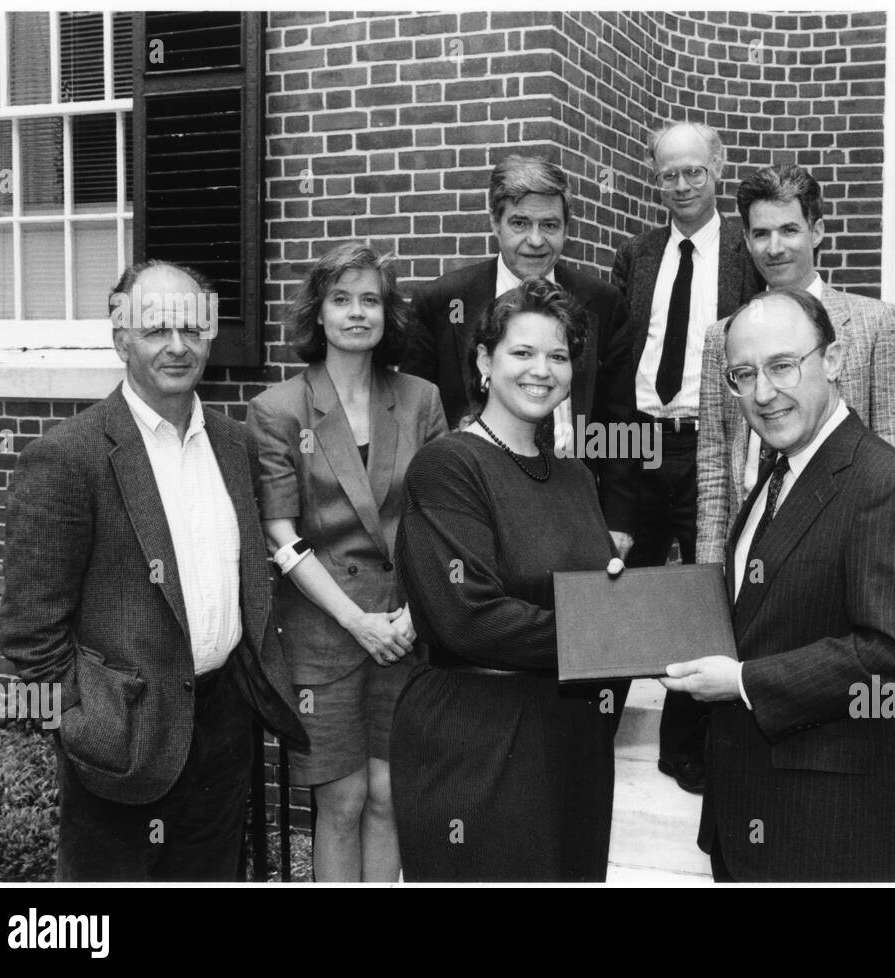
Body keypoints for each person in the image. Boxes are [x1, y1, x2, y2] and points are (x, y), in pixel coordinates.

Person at [0, 260, 308, 881]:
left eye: (192, 329)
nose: (177, 345)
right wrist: (86, 728)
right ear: (121, 340)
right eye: (156, 328)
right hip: (121, 748)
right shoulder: (65, 458)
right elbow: (31, 636)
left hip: (223, 731)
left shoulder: (234, 443)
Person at [663, 288, 895, 881]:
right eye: (744, 374)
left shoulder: (886, 485)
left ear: (835, 360)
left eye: (783, 366)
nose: (763, 393)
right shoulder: (778, 473)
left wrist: (742, 682)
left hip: (827, 828)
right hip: (748, 810)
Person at [389, 278, 618, 881]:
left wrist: (620, 599)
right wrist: (615, 631)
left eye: (559, 355)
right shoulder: (448, 466)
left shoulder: (576, 479)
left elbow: (580, 596)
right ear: (485, 362)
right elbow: (470, 618)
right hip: (477, 739)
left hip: (573, 741)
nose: (542, 370)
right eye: (522, 353)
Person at [246, 244, 446, 882]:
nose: (357, 313)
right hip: (325, 634)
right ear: (319, 314)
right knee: (341, 801)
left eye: (370, 300)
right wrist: (359, 620)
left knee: (389, 797)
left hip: (406, 629)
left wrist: (415, 614)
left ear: (387, 315)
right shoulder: (278, 409)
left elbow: (443, 521)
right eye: (342, 299)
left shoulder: (421, 400)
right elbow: (280, 534)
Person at [611, 121, 761, 793]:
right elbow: (619, 355)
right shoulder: (636, 254)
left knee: (705, 590)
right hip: (638, 438)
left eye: (692, 171)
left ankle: (686, 747)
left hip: (711, 436)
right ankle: (597, 726)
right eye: (668, 173)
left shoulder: (746, 252)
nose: (680, 184)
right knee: (620, 580)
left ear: (718, 167)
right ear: (655, 176)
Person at [400, 155, 635, 554]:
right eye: (520, 223)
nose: (536, 240)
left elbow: (621, 421)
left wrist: (619, 523)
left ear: (566, 229)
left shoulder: (604, 303)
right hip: (474, 511)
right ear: (495, 222)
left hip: (578, 511)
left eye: (550, 225)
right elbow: (417, 422)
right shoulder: (441, 303)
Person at [696, 162, 895, 570]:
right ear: (745, 239)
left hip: (839, 548)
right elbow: (712, 466)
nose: (774, 247)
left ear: (817, 231)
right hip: (749, 542)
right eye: (761, 234)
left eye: (789, 230)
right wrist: (709, 575)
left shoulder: (873, 322)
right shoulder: (721, 338)